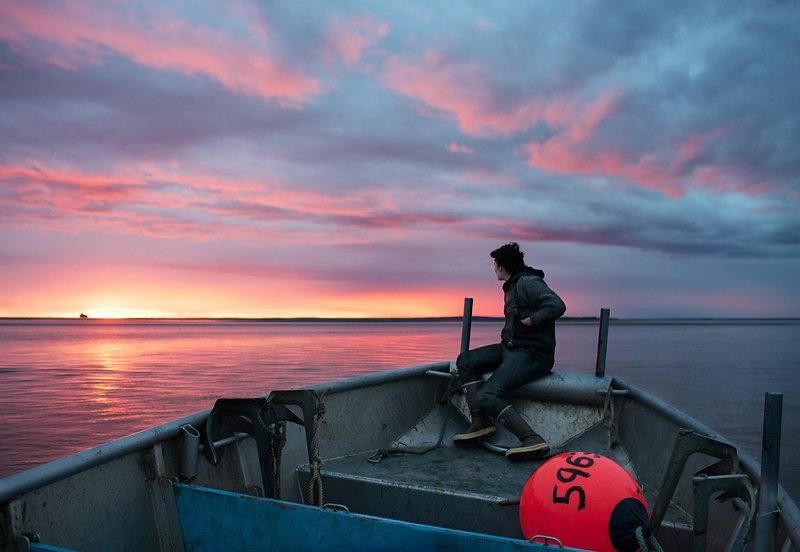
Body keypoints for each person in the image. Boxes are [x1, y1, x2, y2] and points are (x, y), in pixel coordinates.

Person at [453, 242, 566, 461]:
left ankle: (532, 439)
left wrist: (533, 320)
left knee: (488, 394)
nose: (494, 268)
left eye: (495, 264)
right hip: (512, 348)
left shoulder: (528, 283)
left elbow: (557, 305)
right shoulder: (513, 285)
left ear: (502, 266)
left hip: (533, 354)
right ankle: (480, 423)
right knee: (466, 361)